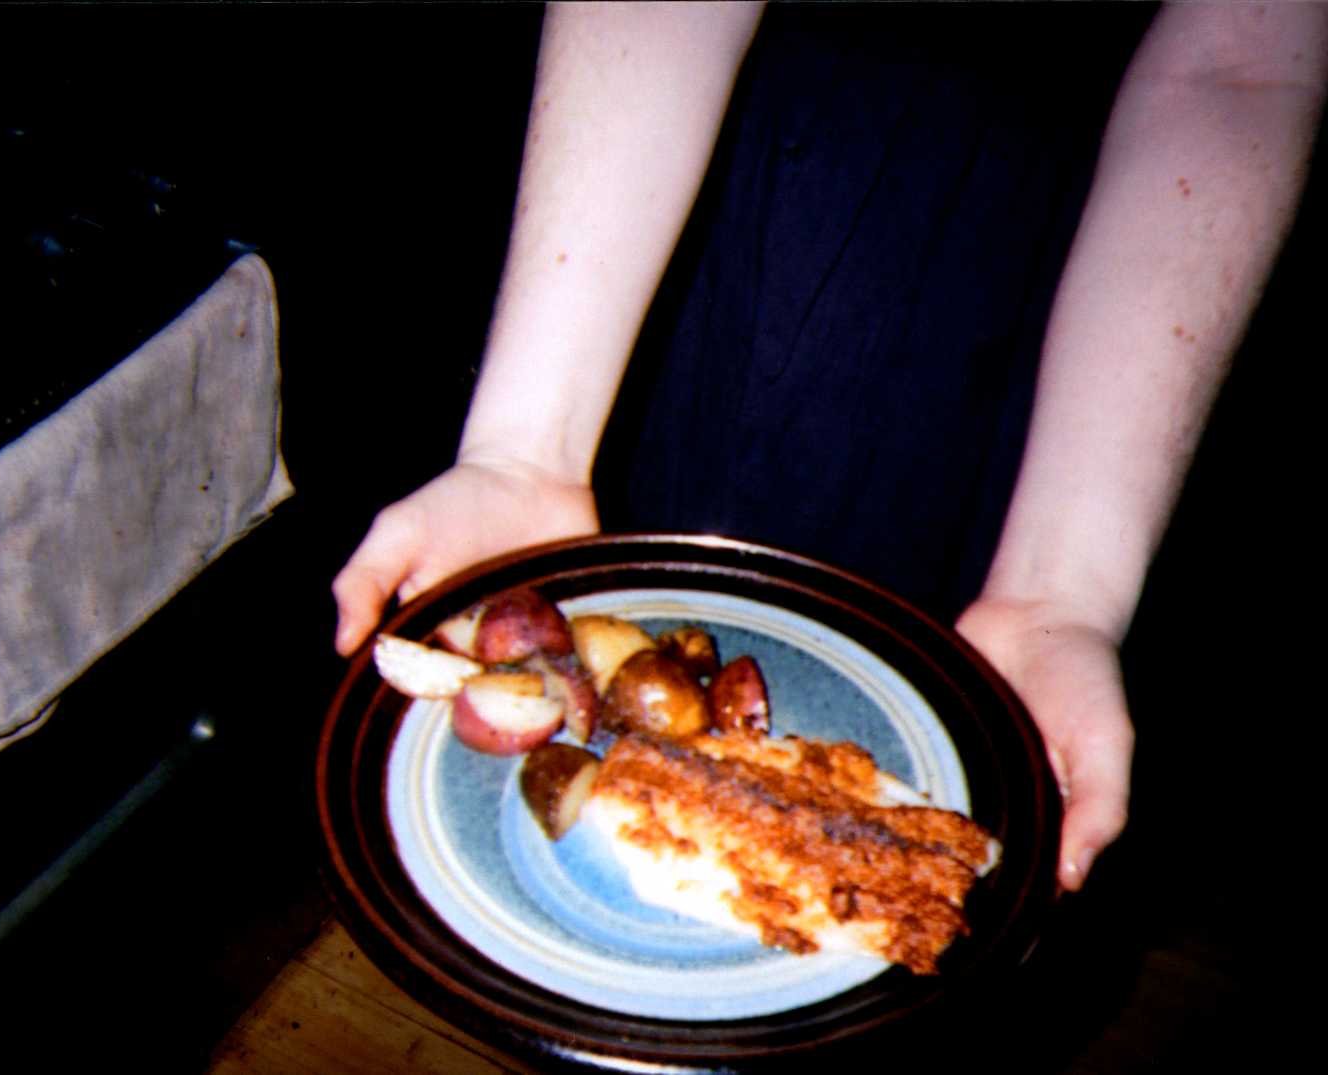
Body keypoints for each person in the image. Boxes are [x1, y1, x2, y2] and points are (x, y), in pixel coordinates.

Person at [331, 2, 1328, 892]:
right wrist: (523, 448)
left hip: (1071, 279)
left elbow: (1238, 67)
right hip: (689, 181)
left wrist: (1064, 594)